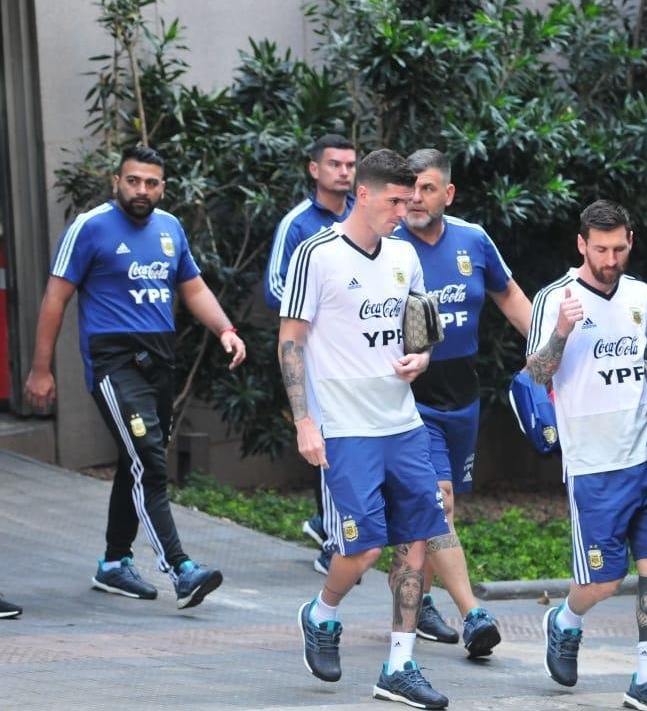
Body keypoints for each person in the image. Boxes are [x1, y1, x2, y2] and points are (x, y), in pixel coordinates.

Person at [23, 145, 246, 609]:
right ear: (116, 182)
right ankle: (182, 569)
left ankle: (113, 564)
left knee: (136, 458)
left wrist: (225, 329)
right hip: (114, 362)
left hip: (160, 360)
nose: (141, 190)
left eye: (151, 183)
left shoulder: (171, 229)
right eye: (133, 181)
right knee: (149, 457)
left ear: (163, 187)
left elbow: (193, 286)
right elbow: (54, 299)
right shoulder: (90, 227)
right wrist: (41, 370)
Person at [280, 148, 449, 710]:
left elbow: (422, 327)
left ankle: (399, 666)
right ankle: (323, 612)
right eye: (398, 200)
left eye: (415, 197)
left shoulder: (404, 256)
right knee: (365, 548)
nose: (408, 209)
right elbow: (290, 341)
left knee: (417, 538)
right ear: (365, 195)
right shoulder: (317, 254)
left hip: (402, 423)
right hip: (345, 428)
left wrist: (420, 358)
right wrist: (305, 421)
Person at [527, 199, 647, 711]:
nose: (610, 258)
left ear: (630, 241)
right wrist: (560, 331)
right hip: (594, 466)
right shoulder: (555, 298)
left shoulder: (641, 294)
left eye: (619, 247)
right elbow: (535, 374)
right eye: (600, 249)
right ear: (582, 245)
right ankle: (566, 619)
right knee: (602, 582)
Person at [394, 148, 532, 658]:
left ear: (447, 194)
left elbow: (512, 298)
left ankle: (418, 601)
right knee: (439, 501)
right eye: (409, 187)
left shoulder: (473, 240)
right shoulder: (388, 245)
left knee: (433, 511)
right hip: (410, 396)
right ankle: (474, 614)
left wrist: (553, 353)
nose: (415, 198)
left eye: (427, 188)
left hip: (462, 396)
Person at [264, 134, 357, 576]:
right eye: (335, 164)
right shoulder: (297, 223)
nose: (344, 171)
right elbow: (275, 286)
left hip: (362, 355)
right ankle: (332, 544)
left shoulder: (365, 215)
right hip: (314, 354)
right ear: (314, 169)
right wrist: (325, 311)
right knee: (325, 440)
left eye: (350, 164)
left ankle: (327, 523)